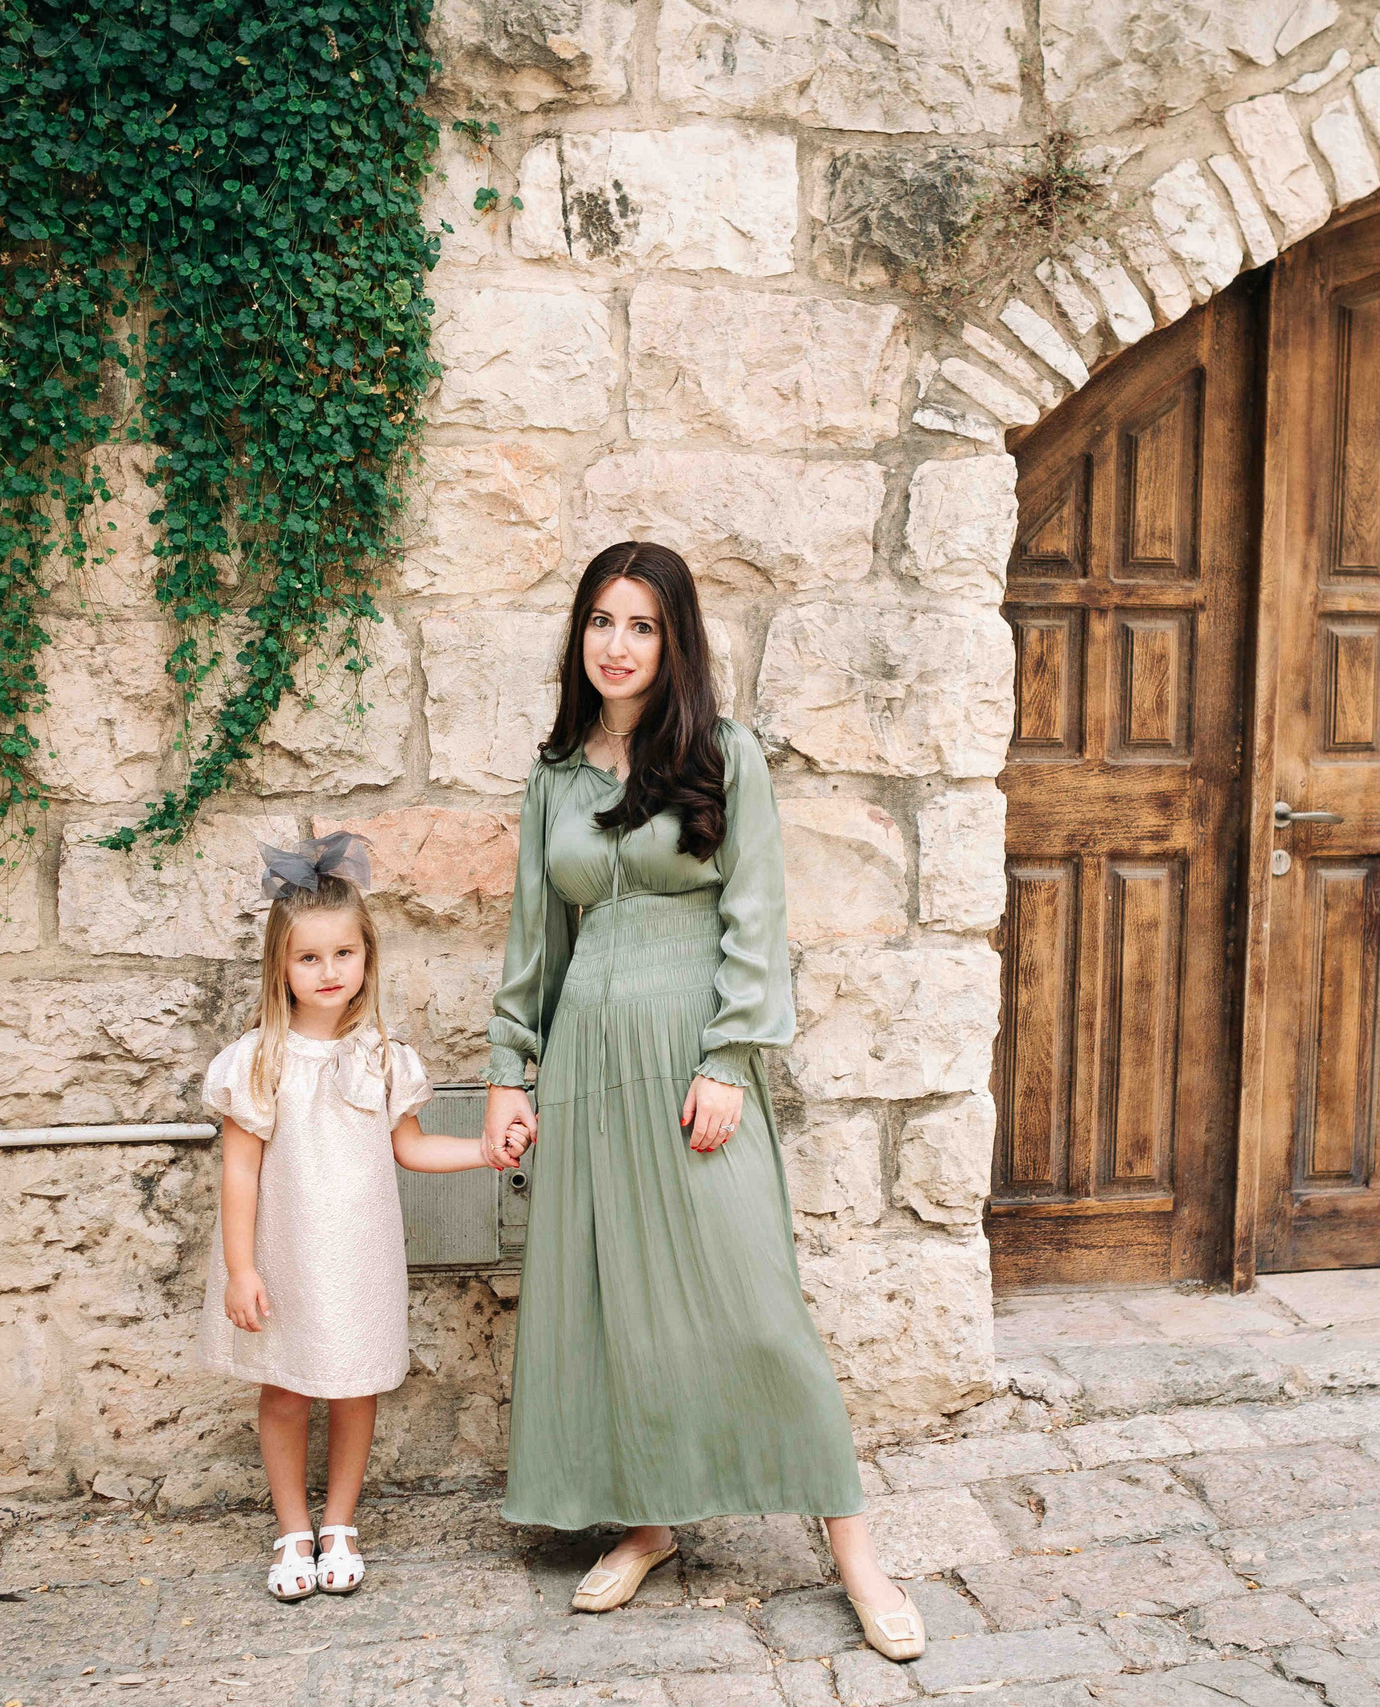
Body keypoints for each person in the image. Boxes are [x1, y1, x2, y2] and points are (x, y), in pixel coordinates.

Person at [479, 541, 927, 1662]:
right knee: (615, 1302)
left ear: (673, 640)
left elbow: (755, 921)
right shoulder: (554, 779)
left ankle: (856, 1554)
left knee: (755, 1303)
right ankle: (648, 1525)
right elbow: (535, 947)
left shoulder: (724, 757)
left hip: (691, 1057)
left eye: (639, 625)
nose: (616, 644)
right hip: (587, 1063)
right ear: (578, 636)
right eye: (599, 621)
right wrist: (505, 1074)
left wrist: (727, 1060)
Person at [202, 832, 529, 1601]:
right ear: (281, 965)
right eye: (309, 957)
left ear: (365, 958)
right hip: (283, 1254)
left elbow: (409, 1149)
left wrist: (486, 1153)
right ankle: (291, 1524)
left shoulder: (385, 1056)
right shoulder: (258, 1059)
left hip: (356, 1254)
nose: (327, 971)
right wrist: (242, 1266)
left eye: (342, 954)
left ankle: (340, 1519)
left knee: (353, 1387)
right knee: (285, 1389)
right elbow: (240, 1168)